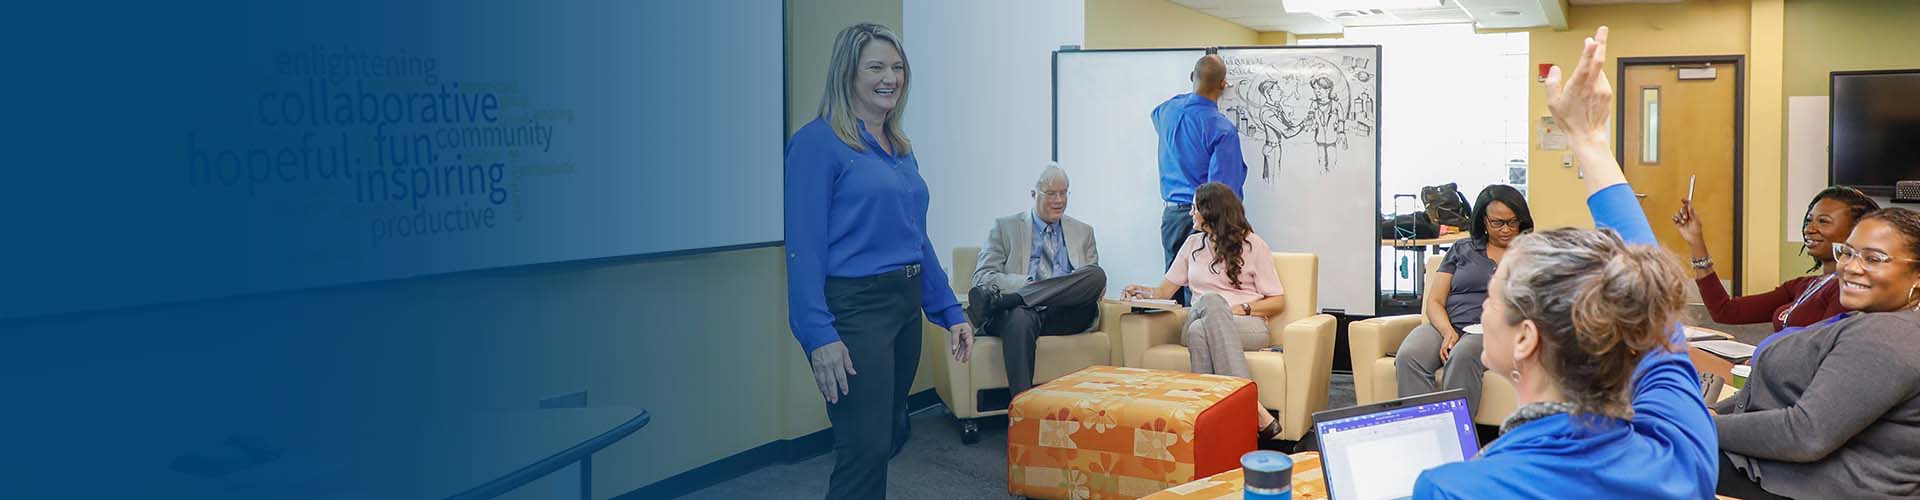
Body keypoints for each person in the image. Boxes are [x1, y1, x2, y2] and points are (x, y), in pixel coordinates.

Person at [1412, 26, 1718, 499]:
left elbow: (1652, 310)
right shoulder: (1681, 453)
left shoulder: (1453, 488)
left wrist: (1586, 135)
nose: (1484, 308)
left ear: (1525, 337)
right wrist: (1589, 139)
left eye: (1494, 298)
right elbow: (1653, 313)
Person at [782, 23, 973, 500]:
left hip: (905, 306)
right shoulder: (816, 144)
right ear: (848, 73)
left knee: (889, 436)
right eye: (876, 67)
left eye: (897, 67)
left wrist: (949, 310)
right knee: (863, 451)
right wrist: (818, 335)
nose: (890, 78)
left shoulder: (899, 150)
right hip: (855, 310)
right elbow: (804, 249)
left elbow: (917, 240)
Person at [1711, 207, 1920, 500]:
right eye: (1847, 253)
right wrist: (1713, 413)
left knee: (1649, 455)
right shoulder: (1875, 320)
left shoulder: (1888, 337)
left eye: (1873, 259)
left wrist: (1698, 424)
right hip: (1796, 473)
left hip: (1808, 484)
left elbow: (1805, 434)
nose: (1850, 267)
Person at [1123, 182, 1286, 439]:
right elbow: (1164, 291)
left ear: (1211, 212)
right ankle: (1250, 407)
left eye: (1195, 208)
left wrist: (1241, 308)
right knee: (1210, 302)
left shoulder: (1253, 245)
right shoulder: (1191, 244)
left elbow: (1277, 301)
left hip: (1247, 325)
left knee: (1200, 331)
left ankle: (1210, 429)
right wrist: (1140, 291)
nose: (1190, 213)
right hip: (1200, 314)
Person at [965, 163, 1107, 397]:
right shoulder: (1005, 227)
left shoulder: (1084, 232)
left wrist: (1021, 294)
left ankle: (1013, 299)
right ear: (1034, 194)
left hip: (1065, 313)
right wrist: (1027, 284)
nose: (1059, 200)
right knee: (1019, 317)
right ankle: (1022, 408)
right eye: (1051, 193)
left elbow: (1093, 288)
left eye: (1063, 193)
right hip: (1023, 314)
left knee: (1096, 275)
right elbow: (982, 277)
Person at [1395, 184, 1533, 415]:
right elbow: (1435, 301)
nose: (1506, 229)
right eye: (1497, 223)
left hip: (1495, 330)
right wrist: (1447, 331)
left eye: (1512, 222)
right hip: (1449, 324)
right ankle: (1423, 427)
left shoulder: (1532, 254)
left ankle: (1457, 430)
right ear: (1483, 221)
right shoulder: (1462, 249)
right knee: (1409, 355)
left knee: (1463, 354)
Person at [1674, 185, 1879, 334]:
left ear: (1857, 232)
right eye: (1809, 220)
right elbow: (1725, 311)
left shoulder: (1848, 290)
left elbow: (1821, 351)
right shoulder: (1803, 285)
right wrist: (1696, 241)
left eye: (1823, 222)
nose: (1810, 228)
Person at [1152, 53, 1248, 304]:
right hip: (1204, 219)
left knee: (1172, 292)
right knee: (1200, 293)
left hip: (1172, 217)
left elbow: (1158, 117)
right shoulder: (1221, 129)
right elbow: (1223, 190)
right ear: (1223, 85)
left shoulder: (1167, 110)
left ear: (1191, 77)